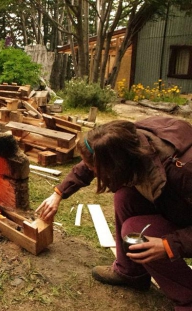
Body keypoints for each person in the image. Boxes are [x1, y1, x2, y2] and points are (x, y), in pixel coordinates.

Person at [36, 116, 192, 310]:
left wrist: (169, 245)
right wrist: (59, 193)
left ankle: (187, 296)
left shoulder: (184, 172)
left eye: (96, 170)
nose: (92, 171)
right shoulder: (126, 143)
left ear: (116, 165)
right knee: (124, 196)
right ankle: (131, 273)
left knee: (135, 231)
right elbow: (92, 162)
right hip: (174, 203)